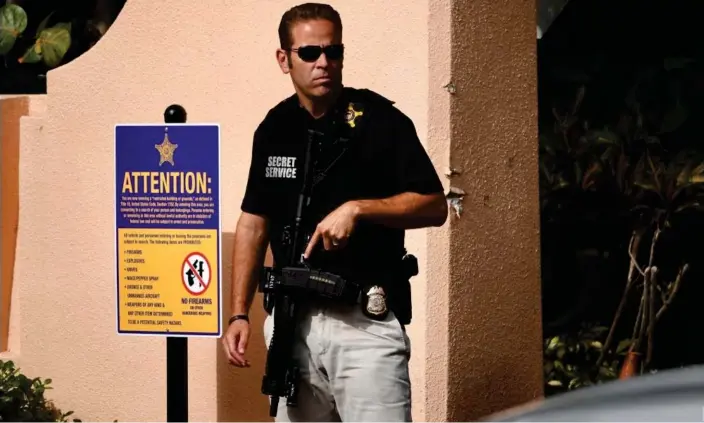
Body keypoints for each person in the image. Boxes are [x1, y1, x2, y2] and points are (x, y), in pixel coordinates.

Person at [221, 3, 448, 421]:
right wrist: (238, 313)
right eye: (310, 53)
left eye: (334, 51)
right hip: (293, 323)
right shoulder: (274, 129)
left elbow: (435, 205)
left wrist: (359, 209)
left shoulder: (380, 121)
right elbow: (254, 223)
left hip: (364, 324)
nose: (324, 62)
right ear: (284, 59)